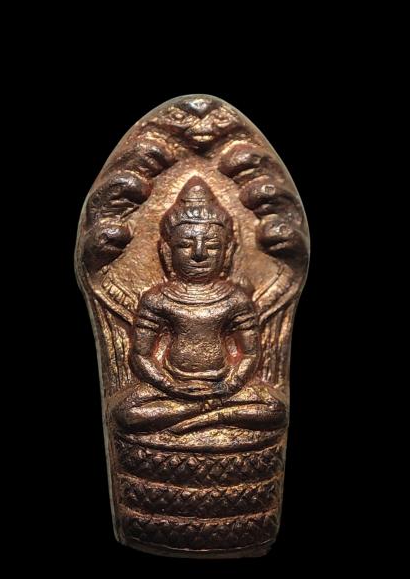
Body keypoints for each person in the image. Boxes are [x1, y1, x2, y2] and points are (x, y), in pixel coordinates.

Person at [110, 176, 287, 435]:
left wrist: (229, 385)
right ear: (167, 251)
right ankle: (207, 413)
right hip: (171, 386)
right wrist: (170, 385)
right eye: (185, 244)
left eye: (212, 245)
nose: (199, 253)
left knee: (274, 408)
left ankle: (204, 417)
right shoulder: (157, 299)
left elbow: (250, 353)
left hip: (224, 386)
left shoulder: (236, 299)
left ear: (228, 252)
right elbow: (141, 355)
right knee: (125, 413)